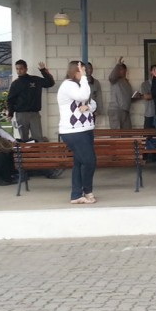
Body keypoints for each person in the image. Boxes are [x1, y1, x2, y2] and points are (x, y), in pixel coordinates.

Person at [58, 60, 97, 204]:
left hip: (85, 129)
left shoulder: (80, 85)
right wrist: (85, 79)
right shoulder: (68, 85)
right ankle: (87, 191)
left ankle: (76, 195)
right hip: (74, 131)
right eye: (83, 71)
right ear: (76, 71)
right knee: (89, 161)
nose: (86, 74)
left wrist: (88, 107)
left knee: (79, 163)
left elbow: (92, 102)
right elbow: (82, 97)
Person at [7, 59, 55, 142]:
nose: (19, 71)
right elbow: (11, 99)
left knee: (38, 137)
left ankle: (39, 154)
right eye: (17, 69)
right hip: (21, 114)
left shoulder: (35, 80)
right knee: (24, 138)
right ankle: (26, 154)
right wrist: (10, 113)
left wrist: (43, 71)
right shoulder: (15, 83)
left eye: (21, 68)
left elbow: (50, 83)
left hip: (34, 113)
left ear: (26, 69)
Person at [107, 57, 134, 129]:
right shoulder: (115, 80)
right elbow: (111, 77)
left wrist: (136, 96)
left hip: (125, 110)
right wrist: (118, 65)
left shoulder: (126, 82)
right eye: (120, 69)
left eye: (122, 70)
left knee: (127, 133)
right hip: (116, 109)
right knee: (116, 133)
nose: (121, 71)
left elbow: (128, 97)